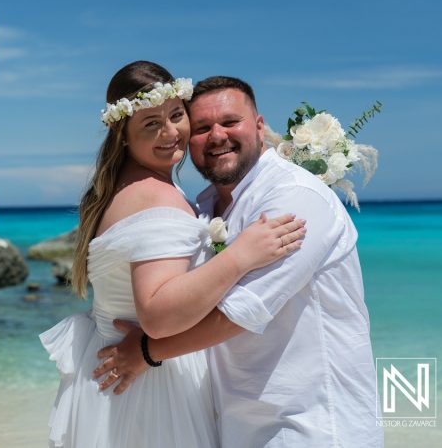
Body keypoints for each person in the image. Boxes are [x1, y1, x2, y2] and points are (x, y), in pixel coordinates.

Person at [93, 76, 383, 447]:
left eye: (230, 122)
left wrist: (146, 352)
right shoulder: (204, 205)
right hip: (236, 425)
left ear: (260, 127)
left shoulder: (295, 198)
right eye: (201, 127)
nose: (216, 136)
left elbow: (243, 311)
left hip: (309, 424)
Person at [40, 62, 306, 448]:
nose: (171, 134)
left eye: (177, 116)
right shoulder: (156, 196)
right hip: (154, 390)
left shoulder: (121, 187)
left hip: (116, 379)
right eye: (151, 124)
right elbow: (158, 315)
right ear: (121, 132)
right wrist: (241, 255)